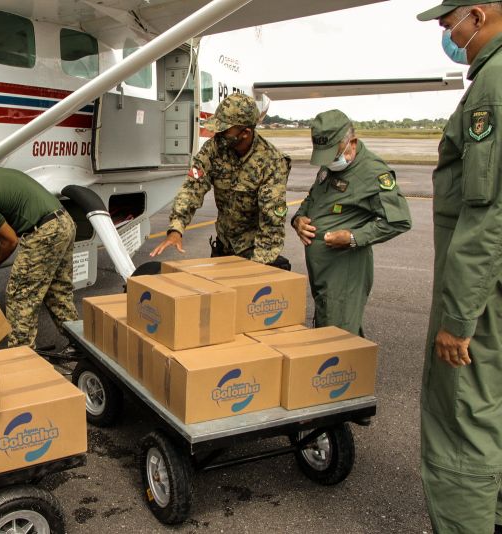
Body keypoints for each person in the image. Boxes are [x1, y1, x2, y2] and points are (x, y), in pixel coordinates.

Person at [417, 2, 502, 532]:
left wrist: (458, 319)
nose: (449, 35)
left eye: (450, 25)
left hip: (483, 291)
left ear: (477, 14)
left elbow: (487, 213)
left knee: (460, 420)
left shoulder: (492, 84)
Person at [291, 110, 411, 336]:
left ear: (351, 143)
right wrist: (298, 220)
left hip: (344, 272)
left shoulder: (374, 173)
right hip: (323, 272)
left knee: (338, 338)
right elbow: (313, 198)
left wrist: (353, 237)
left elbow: (400, 221)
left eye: (333, 156)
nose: (328, 163)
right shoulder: (333, 161)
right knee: (333, 329)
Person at [150, 93, 291, 267]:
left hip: (255, 251)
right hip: (223, 246)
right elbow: (192, 188)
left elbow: (272, 225)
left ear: (245, 132)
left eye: (224, 130)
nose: (217, 133)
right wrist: (176, 228)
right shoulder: (214, 149)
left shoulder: (272, 162)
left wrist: (254, 270)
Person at [0, 167, 78, 348]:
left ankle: (23, 357)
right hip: (64, 221)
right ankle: (82, 348)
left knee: (20, 295)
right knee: (58, 293)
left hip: (44, 231)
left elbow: (10, 241)